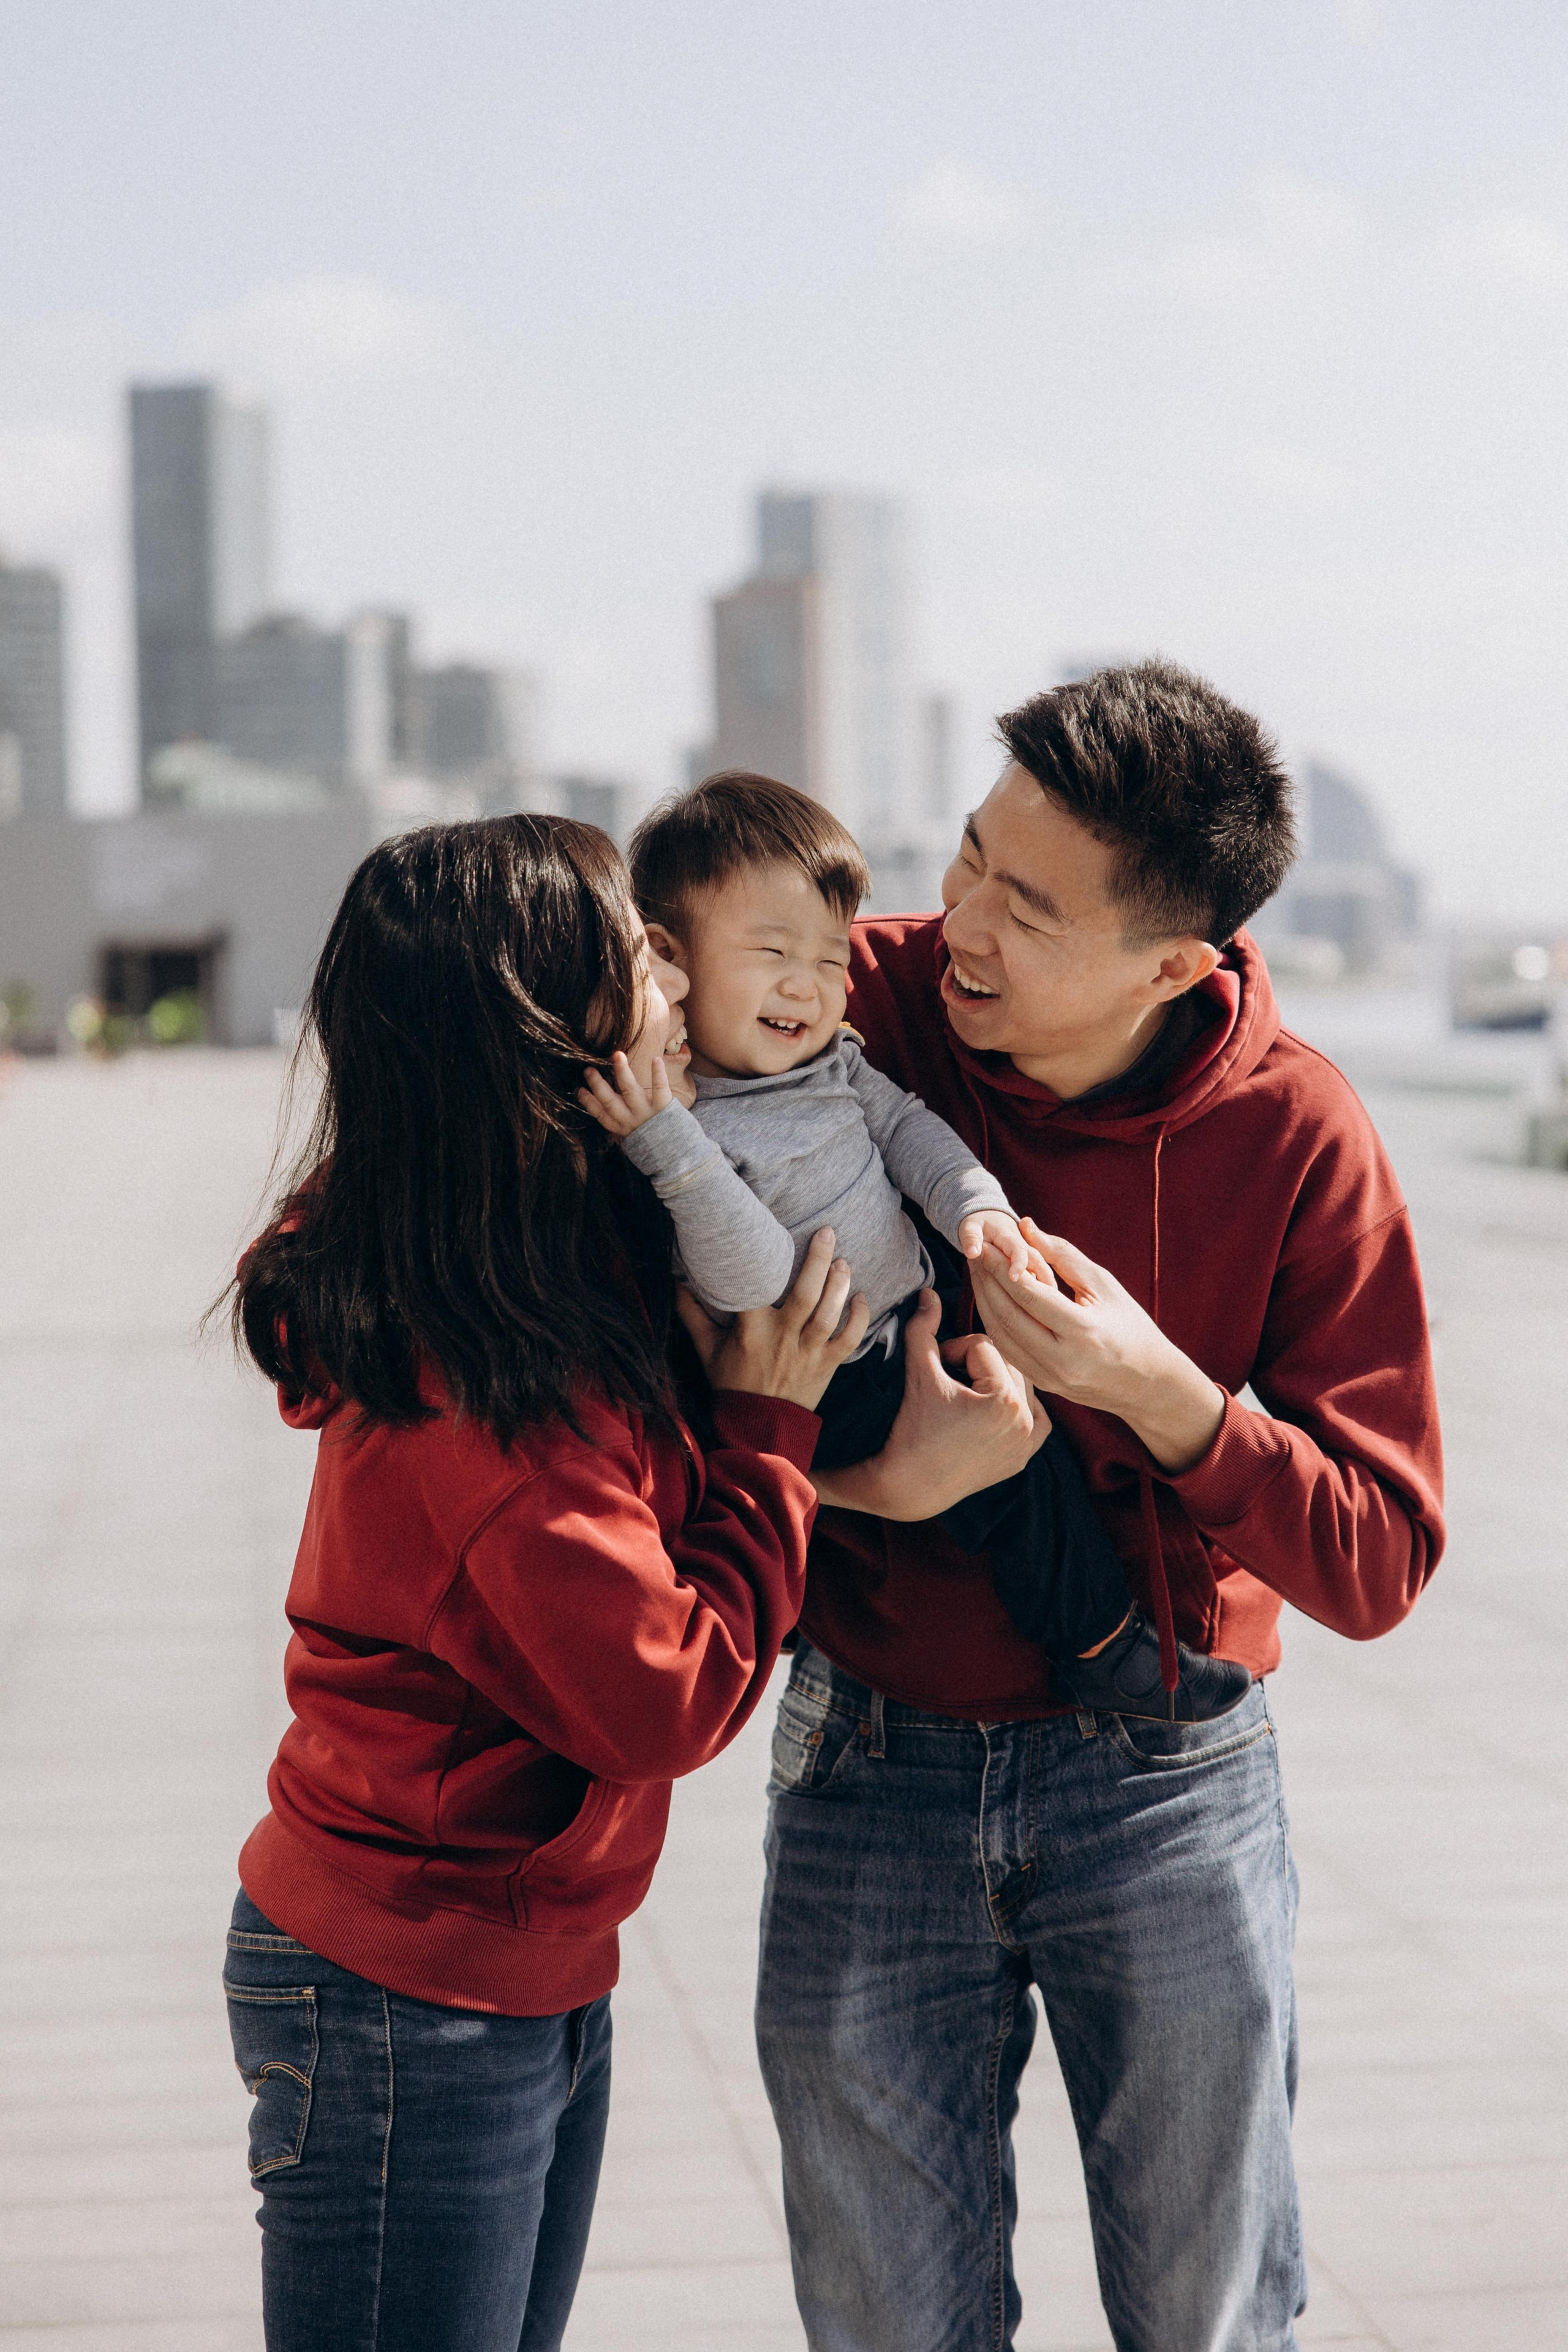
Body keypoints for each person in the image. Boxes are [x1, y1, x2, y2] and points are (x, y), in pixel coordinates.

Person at [752, 660, 1446, 2352]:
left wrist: (1167, 1398)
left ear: (1172, 965)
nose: (958, 922)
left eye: (1028, 907)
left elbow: (1383, 1553)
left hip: (1169, 1784)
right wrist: (865, 1475)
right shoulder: (853, 1002)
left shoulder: (1299, 1136)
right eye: (971, 857)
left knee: (1208, 2321)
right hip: (868, 1758)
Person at [219, 815, 870, 2352]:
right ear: (538, 1034)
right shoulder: (489, 1405)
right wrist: (772, 1435)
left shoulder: (508, 1264)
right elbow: (663, 1695)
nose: (673, 965)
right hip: (409, 1996)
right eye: (634, 950)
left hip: (497, 1967)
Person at [579, 770, 1249, 1722]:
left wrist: (974, 1207)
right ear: (666, 956)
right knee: (1014, 1487)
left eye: (827, 959)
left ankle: (1107, 1638)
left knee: (1029, 1449)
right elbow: (760, 1284)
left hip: (906, 1311)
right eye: (771, 953)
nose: (805, 987)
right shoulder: (680, 1122)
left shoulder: (832, 1061)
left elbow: (908, 1129)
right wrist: (670, 1147)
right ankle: (1109, 1653)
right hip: (834, 1370)